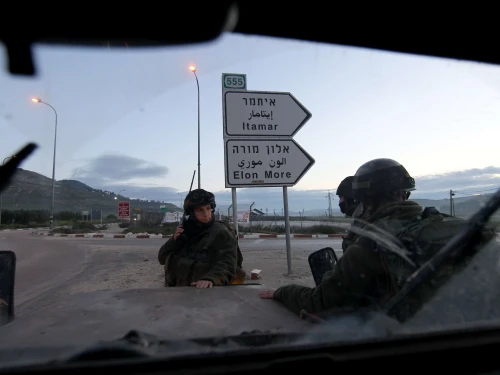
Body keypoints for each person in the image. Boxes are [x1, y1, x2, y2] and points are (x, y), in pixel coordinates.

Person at [259, 158, 422, 315]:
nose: (340, 203)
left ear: (367, 201)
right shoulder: (434, 223)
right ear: (404, 195)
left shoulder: (372, 243)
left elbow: (318, 302)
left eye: (343, 198)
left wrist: (281, 292)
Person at [158, 189, 239, 288]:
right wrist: (174, 240)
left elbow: (228, 262)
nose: (206, 214)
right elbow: (162, 258)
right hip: (178, 292)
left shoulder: (221, 232)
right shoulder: (185, 231)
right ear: (191, 213)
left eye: (208, 208)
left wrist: (210, 278)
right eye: (200, 210)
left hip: (207, 292)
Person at [336, 175, 370, 253]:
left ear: (353, 199)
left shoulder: (367, 222)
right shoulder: (360, 220)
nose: (340, 202)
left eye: (341, 197)